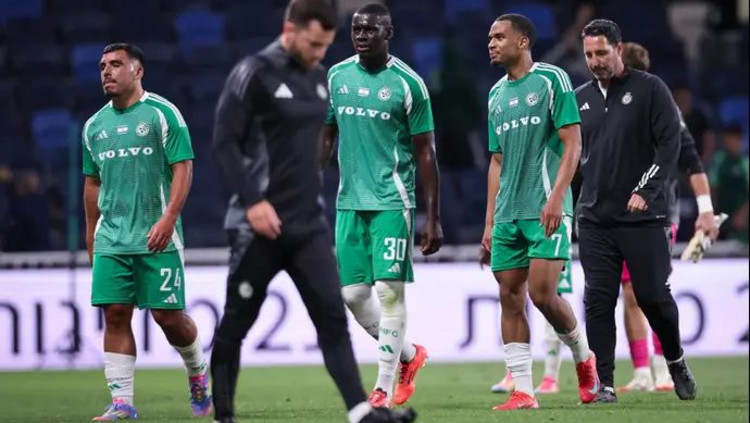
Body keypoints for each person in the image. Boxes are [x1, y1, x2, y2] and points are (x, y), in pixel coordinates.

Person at [209, 1, 417, 422]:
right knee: (235, 325)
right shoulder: (253, 72)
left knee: (333, 318)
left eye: (325, 46)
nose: (319, 53)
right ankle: (224, 415)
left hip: (307, 225)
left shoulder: (320, 79)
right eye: (314, 44)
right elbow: (223, 143)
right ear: (291, 30)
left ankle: (361, 411)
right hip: (261, 227)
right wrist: (253, 202)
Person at [320, 3, 442, 408]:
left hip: (393, 201)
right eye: (356, 29)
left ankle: (383, 389)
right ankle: (410, 356)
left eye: (370, 29)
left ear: (388, 33)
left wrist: (432, 217)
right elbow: (326, 133)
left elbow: (426, 153)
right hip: (349, 202)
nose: (361, 35)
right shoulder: (337, 76)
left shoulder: (409, 84)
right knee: (354, 295)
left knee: (390, 293)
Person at [81, 43, 211, 420]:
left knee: (167, 318)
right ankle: (122, 402)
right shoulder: (93, 126)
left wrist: (169, 218)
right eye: (102, 66)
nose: (106, 71)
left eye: (115, 64)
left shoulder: (163, 113)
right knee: (115, 314)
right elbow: (92, 183)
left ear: (137, 71)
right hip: (111, 237)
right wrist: (91, 234)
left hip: (158, 236)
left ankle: (197, 371)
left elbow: (183, 167)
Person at [480, 13, 599, 411]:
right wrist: (489, 221)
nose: (492, 43)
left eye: (500, 37)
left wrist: (557, 198)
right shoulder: (495, 95)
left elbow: (573, 143)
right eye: (490, 37)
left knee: (543, 295)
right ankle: (523, 391)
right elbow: (496, 162)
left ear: (523, 41)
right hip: (508, 213)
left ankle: (582, 356)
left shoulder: (552, 80)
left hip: (546, 206)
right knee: (509, 297)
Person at [575, 19, 697, 403]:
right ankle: (605, 383)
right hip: (594, 219)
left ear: (618, 49)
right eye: (589, 55)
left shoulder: (650, 89)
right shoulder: (578, 98)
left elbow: (669, 145)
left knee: (653, 297)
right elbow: (568, 156)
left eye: (601, 53)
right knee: (598, 300)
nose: (595, 61)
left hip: (642, 217)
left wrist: (646, 190)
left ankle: (675, 359)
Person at [617, 42, 720, 393]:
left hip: (660, 212)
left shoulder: (663, 107)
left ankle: (664, 368)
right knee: (629, 291)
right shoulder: (605, 104)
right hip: (618, 214)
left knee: (652, 289)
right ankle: (642, 372)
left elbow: (691, 159)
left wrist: (706, 210)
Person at [490, 261, 572, 395]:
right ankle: (514, 374)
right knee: (512, 294)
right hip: (518, 248)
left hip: (552, 249)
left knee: (552, 300)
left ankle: (551, 377)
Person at [710, 125, 749, 244]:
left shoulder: (746, 164)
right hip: (722, 219)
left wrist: (743, 215)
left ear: (739, 139)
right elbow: (713, 187)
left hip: (742, 223)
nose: (728, 143)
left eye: (731, 139)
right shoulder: (719, 161)